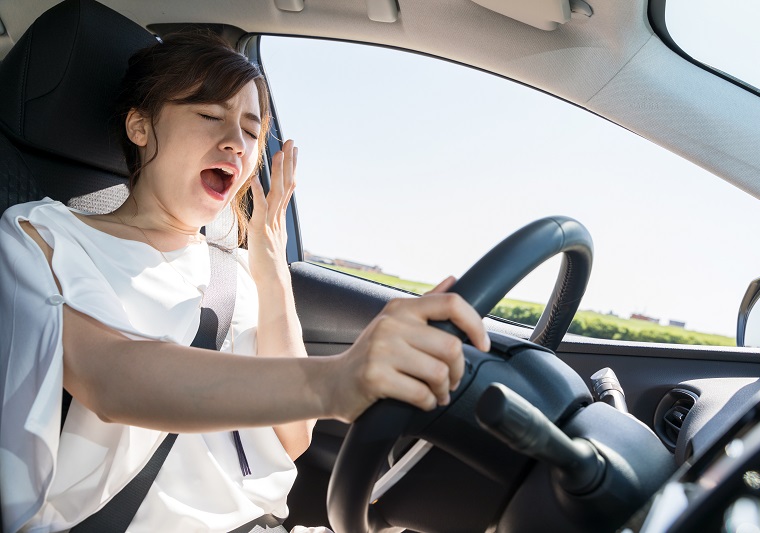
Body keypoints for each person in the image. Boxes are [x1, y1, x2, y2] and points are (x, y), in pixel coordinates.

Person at [0, 32, 489, 532]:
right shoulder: (42, 236)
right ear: (140, 125)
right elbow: (110, 375)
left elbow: (292, 437)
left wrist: (272, 270)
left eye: (252, 131)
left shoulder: (232, 272)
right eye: (210, 115)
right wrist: (337, 379)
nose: (236, 141)